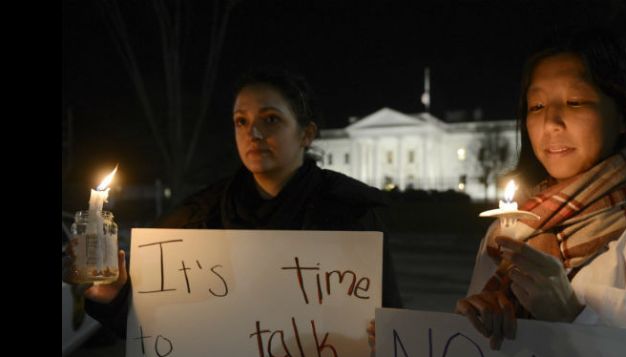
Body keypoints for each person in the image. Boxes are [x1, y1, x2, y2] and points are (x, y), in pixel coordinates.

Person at [64, 67, 402, 337]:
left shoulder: (353, 215)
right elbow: (158, 335)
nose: (253, 134)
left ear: (306, 133)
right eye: (242, 121)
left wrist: (383, 337)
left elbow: (390, 323)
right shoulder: (195, 220)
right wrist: (113, 297)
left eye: (270, 119)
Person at [455, 27, 626, 350]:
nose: (551, 123)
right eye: (536, 107)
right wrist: (461, 332)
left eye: (574, 102)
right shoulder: (504, 236)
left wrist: (571, 315)